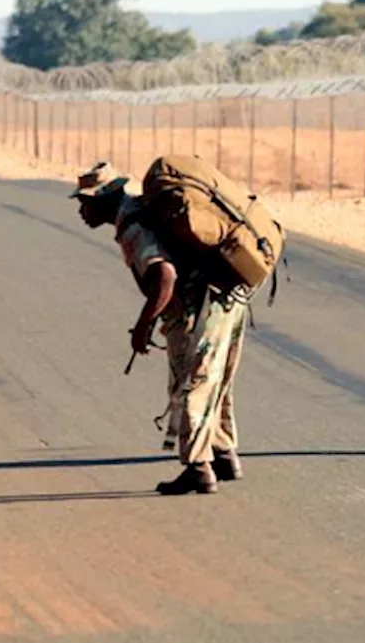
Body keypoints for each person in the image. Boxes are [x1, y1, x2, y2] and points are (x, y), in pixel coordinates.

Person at [72, 161, 249, 495]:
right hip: (227, 298)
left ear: (104, 199)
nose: (82, 210)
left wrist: (143, 326)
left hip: (200, 309)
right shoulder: (143, 210)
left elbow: (164, 277)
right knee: (215, 380)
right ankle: (224, 455)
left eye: (85, 201)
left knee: (190, 384)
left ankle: (199, 467)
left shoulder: (133, 226)